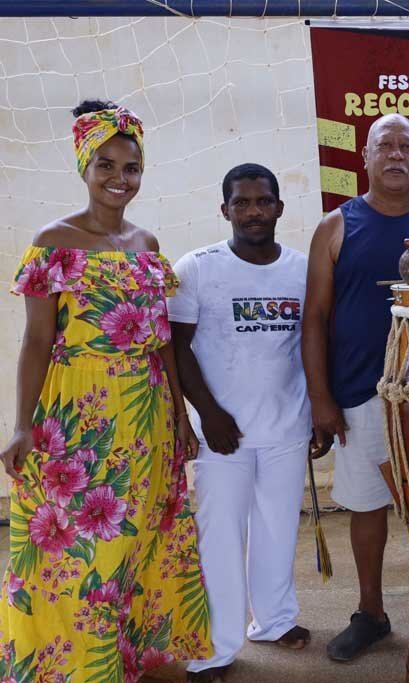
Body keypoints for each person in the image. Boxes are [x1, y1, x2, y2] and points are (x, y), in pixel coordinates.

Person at [0, 100, 211, 682]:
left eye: (132, 167)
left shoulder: (146, 244)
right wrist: (21, 425)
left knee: (141, 543)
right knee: (78, 554)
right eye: (107, 166)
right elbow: (36, 342)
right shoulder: (54, 242)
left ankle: (134, 658)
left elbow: (163, 340)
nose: (120, 179)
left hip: (145, 418)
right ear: (84, 168)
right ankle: (75, 670)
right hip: (76, 422)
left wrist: (179, 415)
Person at [302, 113, 409, 662]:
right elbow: (314, 319)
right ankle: (370, 612)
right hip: (361, 393)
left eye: (407, 147)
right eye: (385, 146)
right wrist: (321, 399)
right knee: (368, 507)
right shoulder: (336, 225)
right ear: (365, 158)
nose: (396, 155)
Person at [169, 164, 311, 683]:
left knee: (278, 529)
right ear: (224, 209)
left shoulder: (301, 268)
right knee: (220, 538)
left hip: (286, 427)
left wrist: (318, 409)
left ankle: (273, 621)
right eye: (242, 202)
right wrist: (206, 411)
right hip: (221, 435)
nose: (253, 211)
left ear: (279, 207)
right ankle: (213, 649)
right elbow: (175, 346)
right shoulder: (198, 268)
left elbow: (312, 345)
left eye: (263, 201)